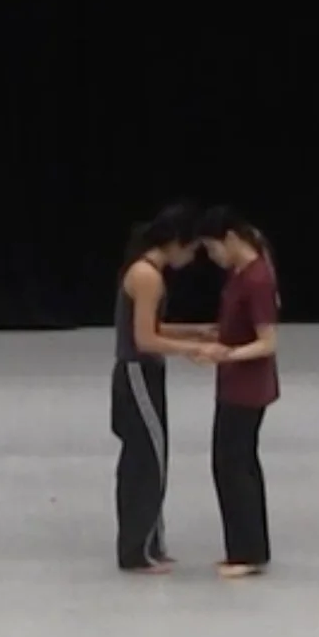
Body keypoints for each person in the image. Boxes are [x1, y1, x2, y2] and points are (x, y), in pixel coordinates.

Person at [112, 203, 213, 574]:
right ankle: (136, 550)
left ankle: (150, 543)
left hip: (146, 372)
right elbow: (145, 339)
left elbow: (153, 328)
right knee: (145, 461)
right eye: (191, 248)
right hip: (138, 372)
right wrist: (194, 349)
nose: (191, 257)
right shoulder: (147, 275)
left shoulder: (147, 270)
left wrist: (193, 331)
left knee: (153, 458)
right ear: (176, 242)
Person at [193, 206, 279, 577]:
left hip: (246, 387)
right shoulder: (241, 273)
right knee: (236, 463)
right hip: (234, 383)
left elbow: (268, 342)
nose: (213, 257)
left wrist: (224, 354)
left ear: (230, 238)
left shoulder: (257, 279)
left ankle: (247, 553)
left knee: (233, 465)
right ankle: (246, 548)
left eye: (213, 249)